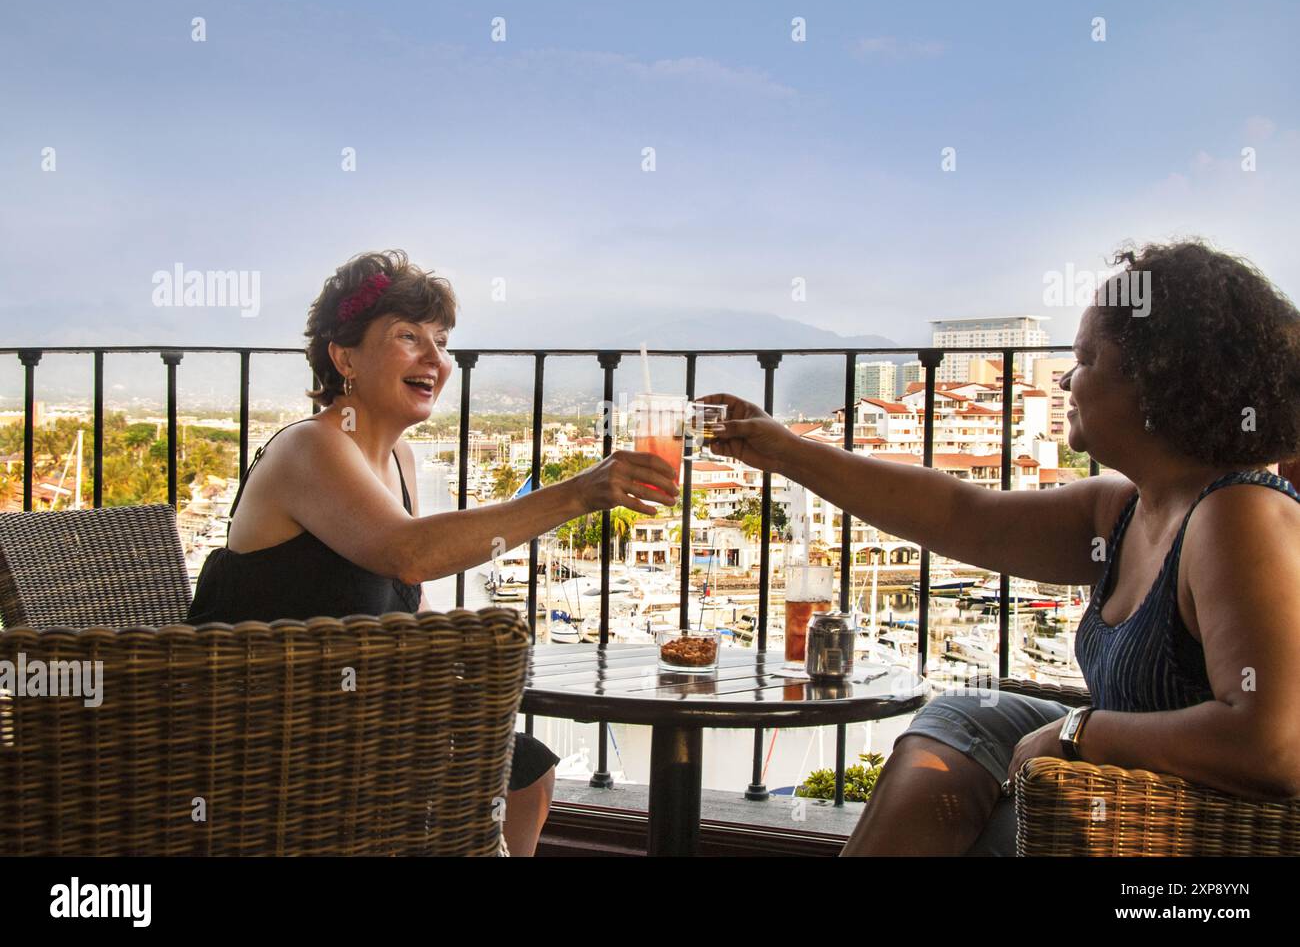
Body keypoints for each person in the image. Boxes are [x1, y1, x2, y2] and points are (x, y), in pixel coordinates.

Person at [700, 239, 1300, 855]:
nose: (1067, 377)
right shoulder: (1124, 508)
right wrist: (784, 451)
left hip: (1187, 833)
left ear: (1159, 377)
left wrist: (1077, 734)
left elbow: (1272, 743)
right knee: (963, 715)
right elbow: (961, 514)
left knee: (977, 794)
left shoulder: (1238, 515)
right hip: (1124, 786)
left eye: (1087, 357)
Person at [187, 250, 680, 856]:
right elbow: (408, 555)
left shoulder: (398, 460)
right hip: (262, 737)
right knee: (483, 778)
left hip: (345, 722)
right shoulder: (312, 447)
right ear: (344, 357)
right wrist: (583, 491)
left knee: (523, 768)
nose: (435, 360)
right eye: (407, 336)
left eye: (441, 341)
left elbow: (399, 605)